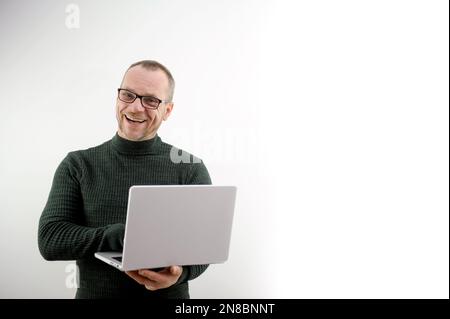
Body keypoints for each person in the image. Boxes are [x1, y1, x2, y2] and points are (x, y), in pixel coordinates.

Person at [38, 60, 211, 299]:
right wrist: (117, 236)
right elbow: (50, 239)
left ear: (167, 110)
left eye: (151, 100)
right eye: (128, 95)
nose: (136, 108)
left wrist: (180, 274)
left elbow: (204, 245)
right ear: (118, 98)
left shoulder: (190, 168)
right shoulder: (78, 164)